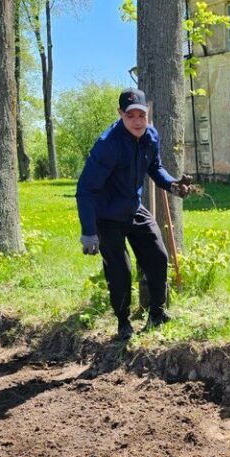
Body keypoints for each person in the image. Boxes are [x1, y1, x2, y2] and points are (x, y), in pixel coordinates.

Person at [76, 87, 193, 341]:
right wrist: (88, 231)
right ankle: (123, 323)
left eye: (142, 115)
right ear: (120, 114)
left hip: (133, 207)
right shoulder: (108, 145)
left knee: (158, 256)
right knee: (121, 270)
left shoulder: (150, 135)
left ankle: (157, 313)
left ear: (147, 113)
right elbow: (85, 189)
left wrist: (172, 185)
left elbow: (155, 167)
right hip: (106, 215)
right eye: (131, 116)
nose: (138, 121)